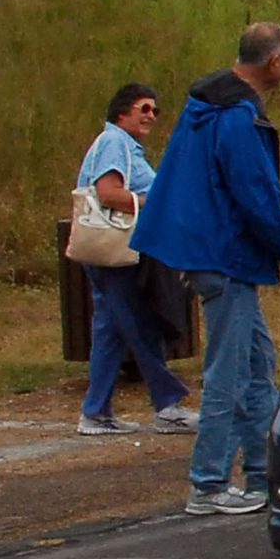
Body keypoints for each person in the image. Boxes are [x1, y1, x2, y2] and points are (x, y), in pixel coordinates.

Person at [131, 22, 280, 516]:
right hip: (227, 258)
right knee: (231, 372)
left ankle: (262, 476)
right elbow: (255, 198)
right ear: (274, 62)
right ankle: (209, 482)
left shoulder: (204, 108)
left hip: (205, 252)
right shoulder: (237, 118)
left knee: (258, 364)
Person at [72, 82, 196, 437]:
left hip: (112, 253)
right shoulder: (114, 143)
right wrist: (153, 205)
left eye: (155, 110)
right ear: (122, 110)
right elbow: (109, 193)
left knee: (111, 329)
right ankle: (167, 403)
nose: (151, 116)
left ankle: (96, 411)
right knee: (139, 324)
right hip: (116, 254)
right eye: (144, 108)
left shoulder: (124, 146)